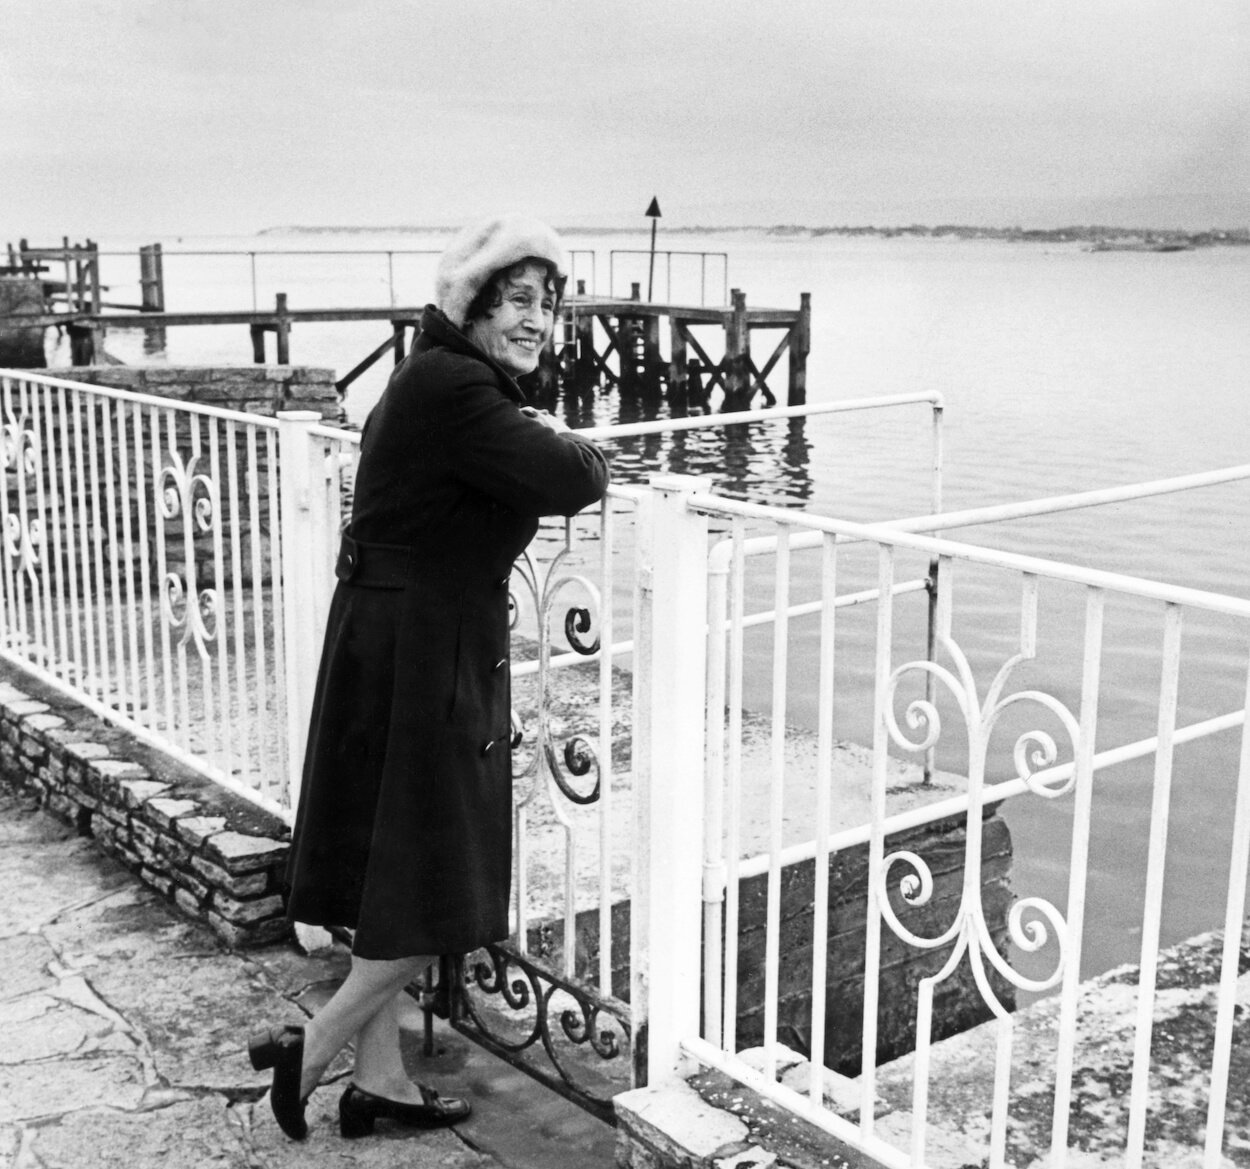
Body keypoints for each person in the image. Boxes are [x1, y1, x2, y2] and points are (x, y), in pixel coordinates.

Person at [248, 215, 610, 1142]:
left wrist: (530, 423)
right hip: (420, 655)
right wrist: (570, 440)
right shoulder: (457, 387)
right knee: (437, 876)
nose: (539, 320)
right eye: (520, 300)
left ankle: (382, 1085)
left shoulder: (436, 377)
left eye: (551, 304)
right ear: (477, 304)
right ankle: (317, 1044)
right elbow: (572, 477)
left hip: (391, 639)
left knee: (390, 873)